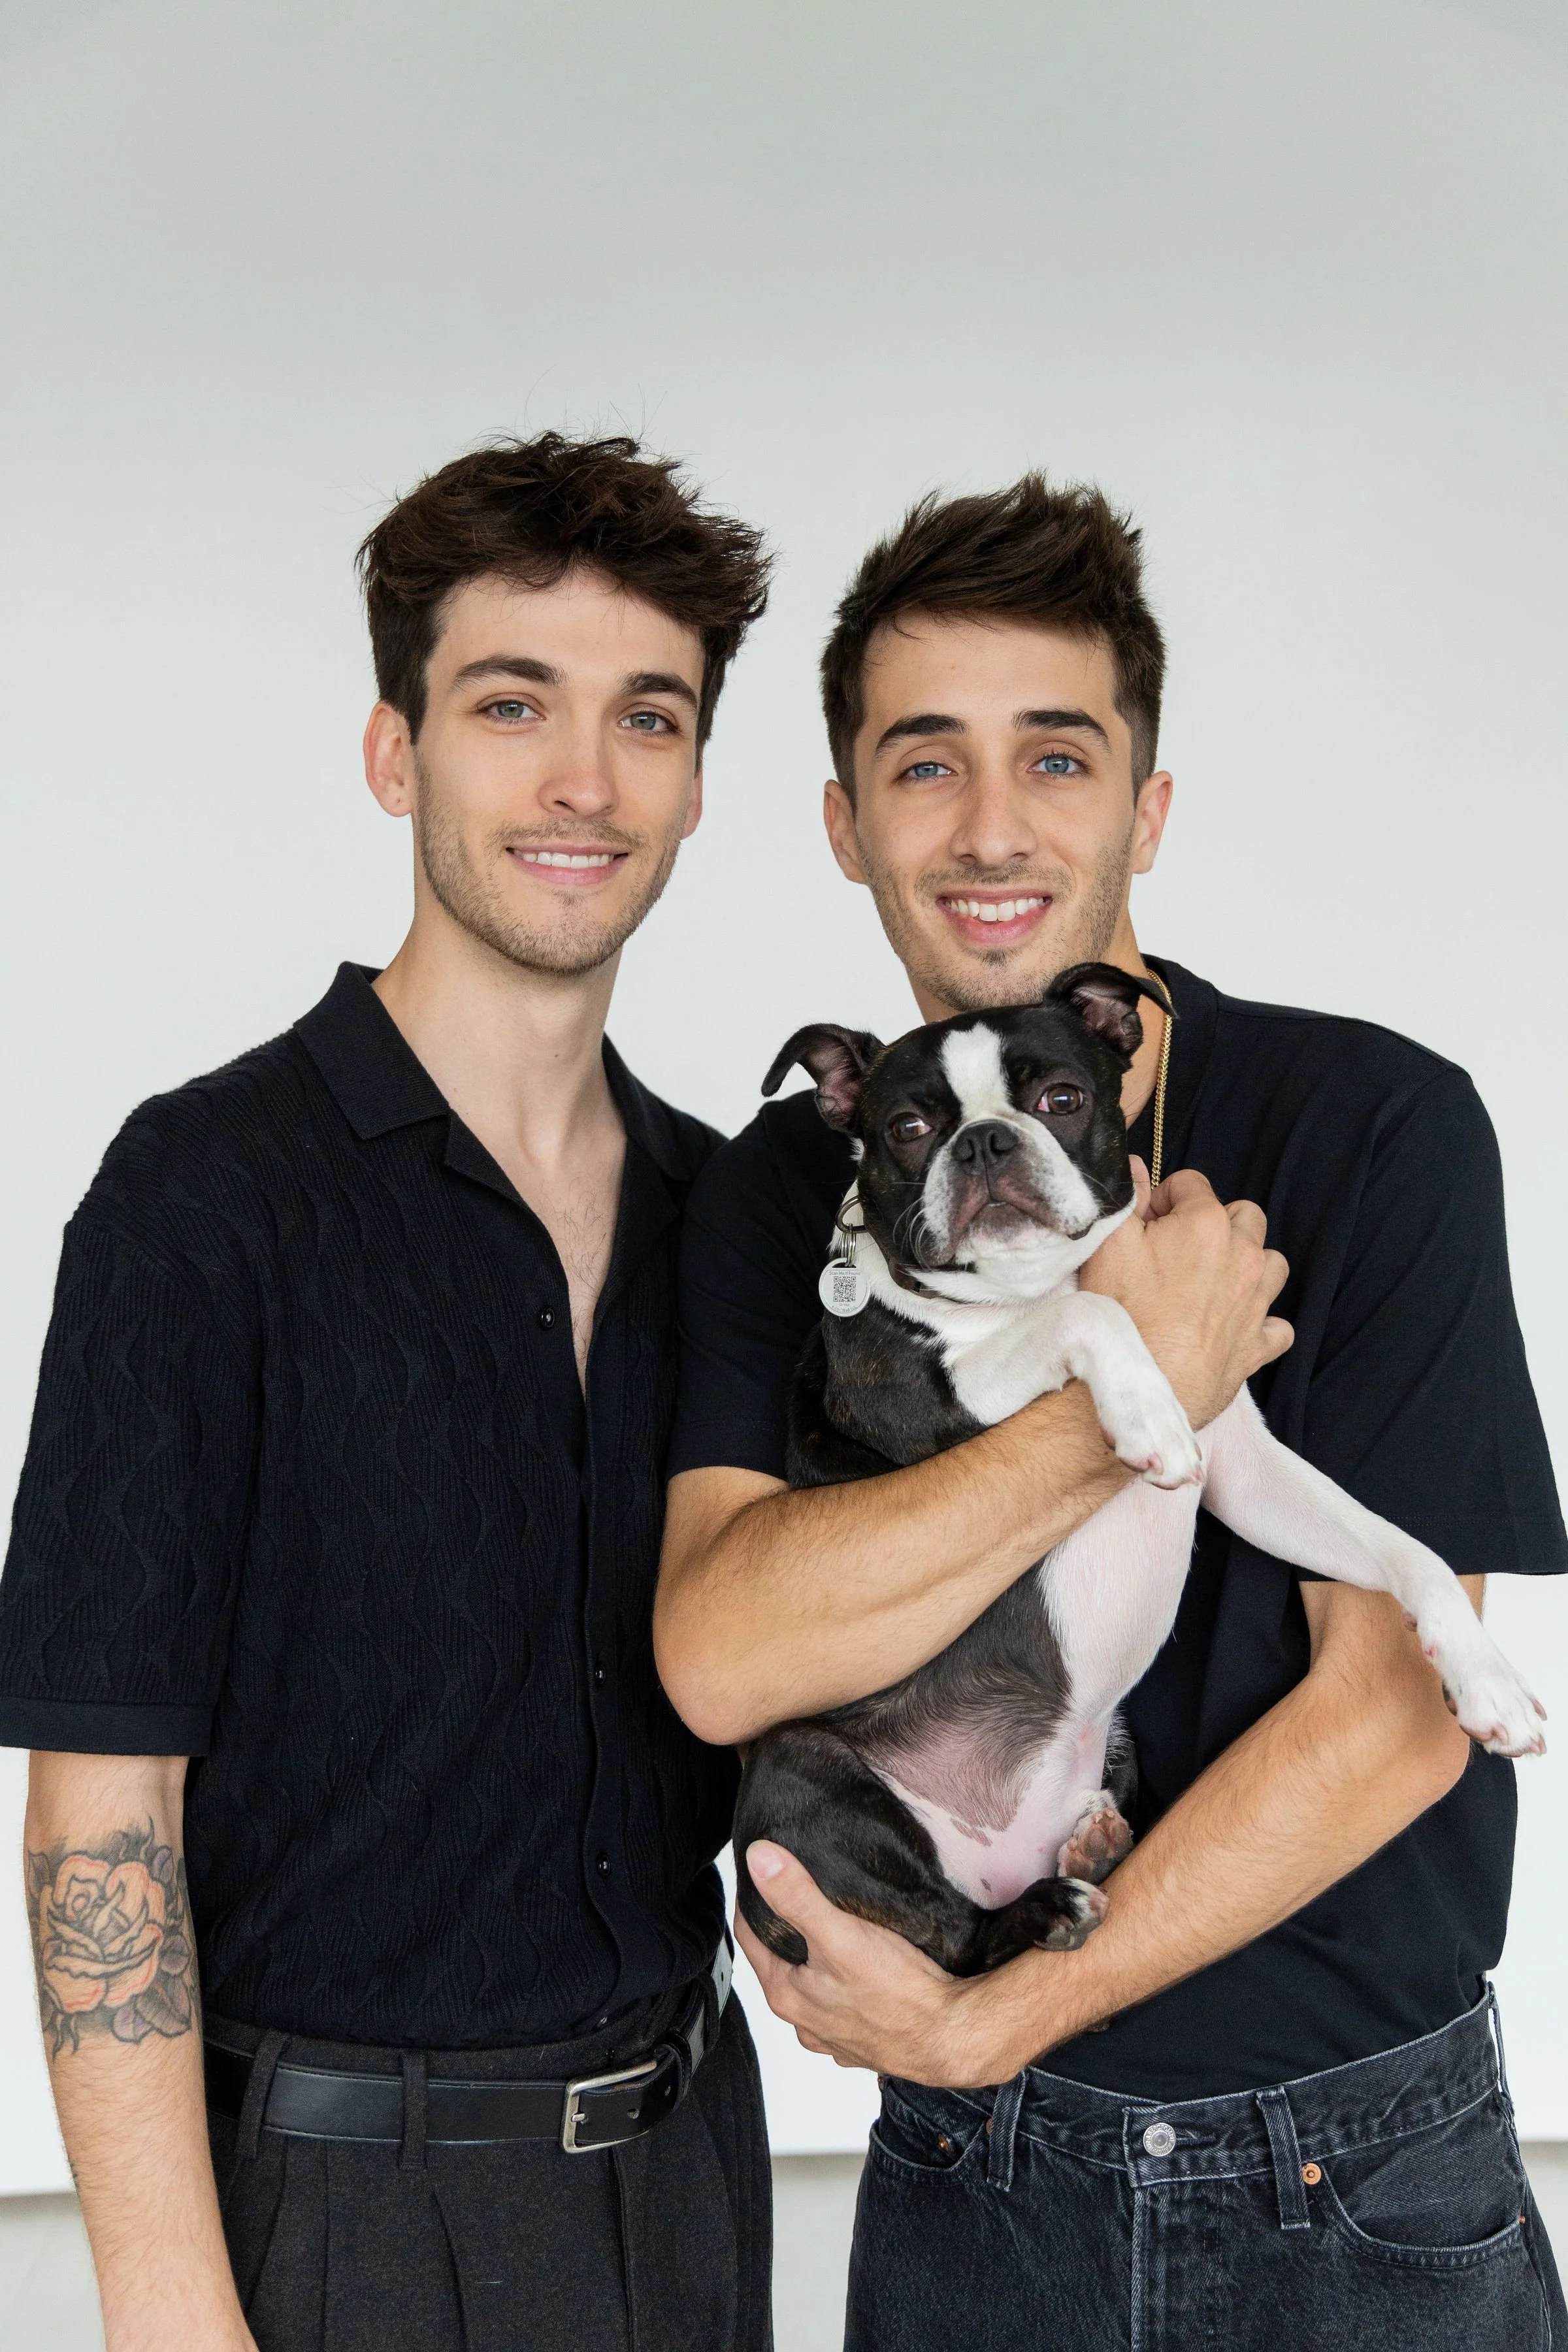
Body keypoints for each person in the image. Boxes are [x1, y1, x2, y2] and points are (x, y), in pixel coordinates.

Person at [655, 476, 1568, 2348]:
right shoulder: (783, 1188)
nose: (992, 825)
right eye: (925, 764)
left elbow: (1403, 1714)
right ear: (843, 823)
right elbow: (727, 1658)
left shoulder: (1373, 1123)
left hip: (1356, 2169)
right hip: (978, 2171)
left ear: (1148, 807)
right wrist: (1120, 1387)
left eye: (1057, 759)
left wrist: (999, 2017)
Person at [0, 432, 774, 2352]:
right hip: (336, 2223)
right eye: (512, 705)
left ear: (696, 782)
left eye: (647, 717)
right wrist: (167, 2305)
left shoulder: (729, 1215)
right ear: (392, 752)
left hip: (693, 2182)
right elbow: (103, 1803)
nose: (584, 781)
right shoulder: (202, 1195)